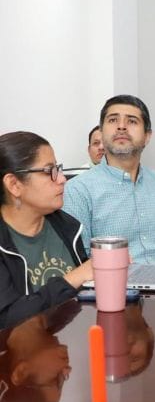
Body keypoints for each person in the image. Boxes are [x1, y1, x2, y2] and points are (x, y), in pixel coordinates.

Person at [63, 95, 155, 264]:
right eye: (113, 120)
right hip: (112, 278)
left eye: (132, 121)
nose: (121, 127)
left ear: (147, 136)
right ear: (101, 134)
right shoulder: (78, 190)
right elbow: (77, 261)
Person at [0, 132, 93, 329]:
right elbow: (6, 319)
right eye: (50, 171)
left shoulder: (67, 227)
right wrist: (74, 278)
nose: (62, 179)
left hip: (70, 339)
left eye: (58, 169)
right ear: (14, 185)